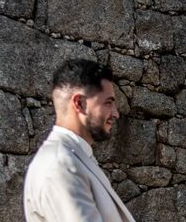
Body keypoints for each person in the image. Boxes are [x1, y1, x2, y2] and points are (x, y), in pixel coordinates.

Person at [23, 58, 136, 222]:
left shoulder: (74, 156)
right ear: (80, 103)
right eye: (108, 103)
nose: (116, 113)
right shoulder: (61, 165)